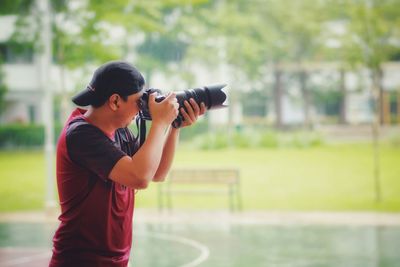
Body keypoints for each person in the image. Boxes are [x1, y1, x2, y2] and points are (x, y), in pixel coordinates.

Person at [49, 60, 206, 267]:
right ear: (115, 101)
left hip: (116, 261)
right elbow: (139, 177)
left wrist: (174, 125)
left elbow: (156, 172)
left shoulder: (119, 130)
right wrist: (160, 122)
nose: (140, 109)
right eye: (138, 102)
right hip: (80, 261)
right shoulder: (81, 134)